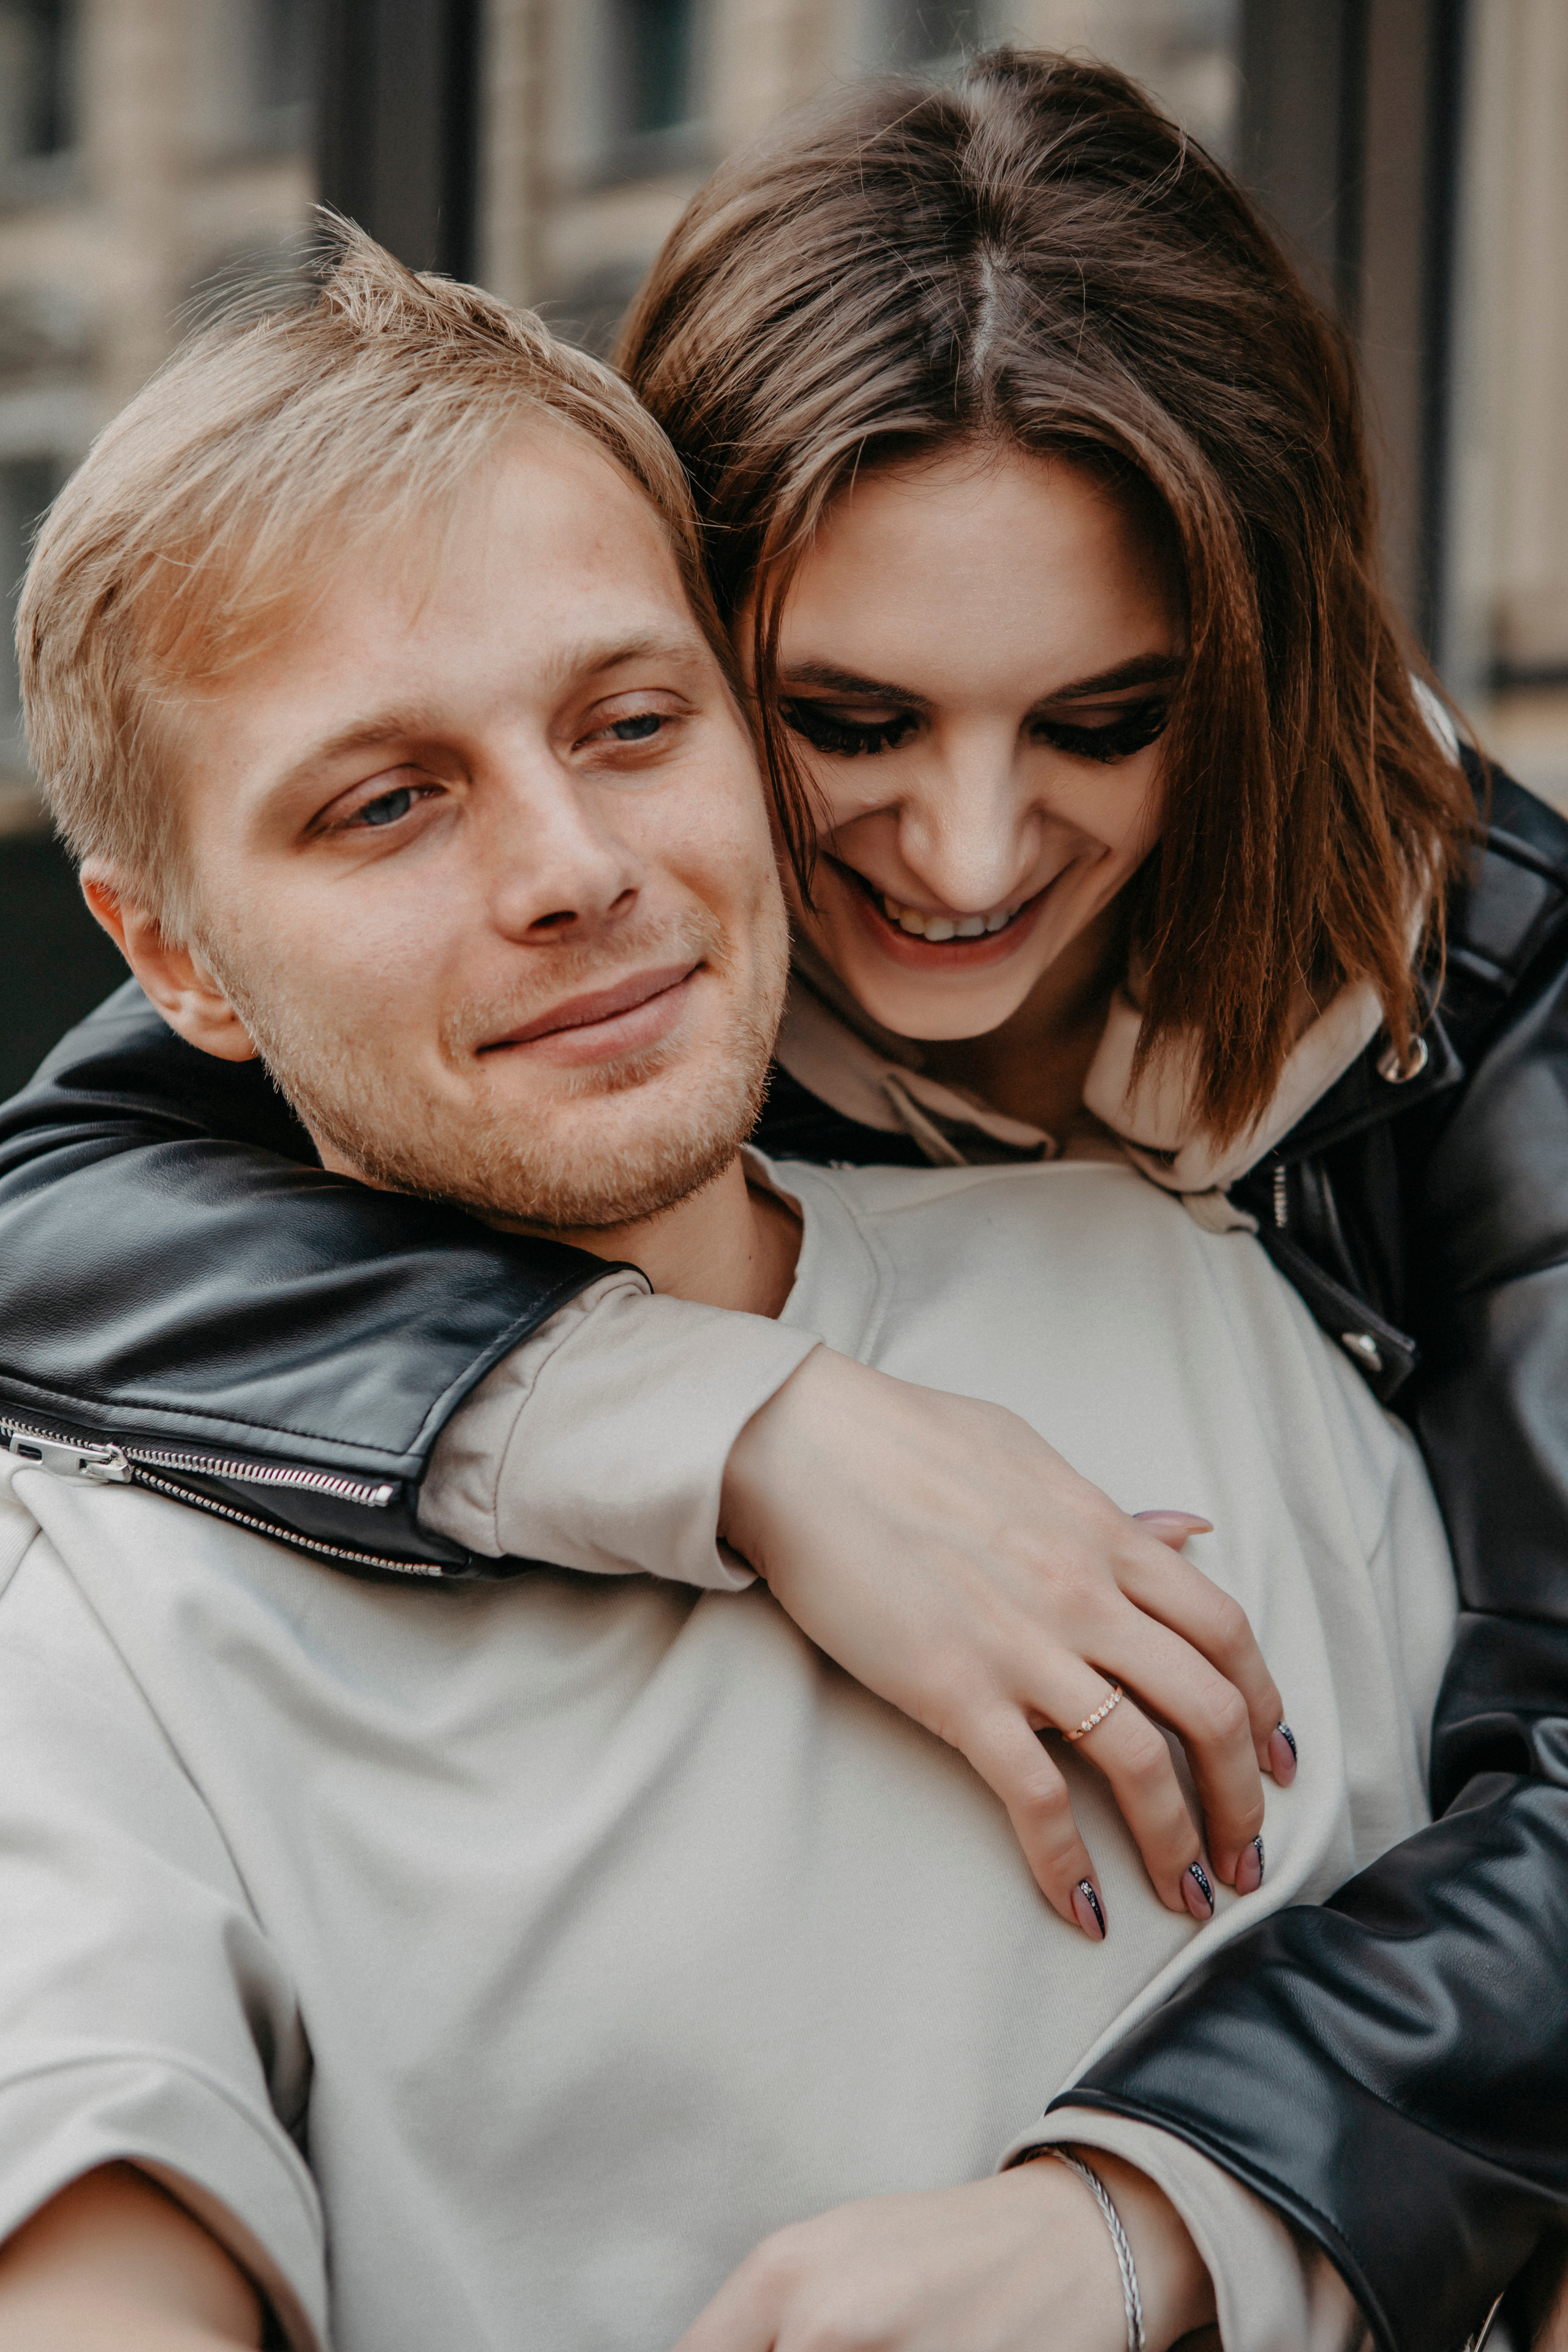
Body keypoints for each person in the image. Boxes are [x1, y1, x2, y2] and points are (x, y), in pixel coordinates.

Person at [2, 46, 1567, 2348]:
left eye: (1101, 720)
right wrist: (753, 1429)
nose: (957, 856)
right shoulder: (111, 1595)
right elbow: (61, 1205)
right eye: (850, 719)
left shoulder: (1440, 1060)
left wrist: (1152, 2216)